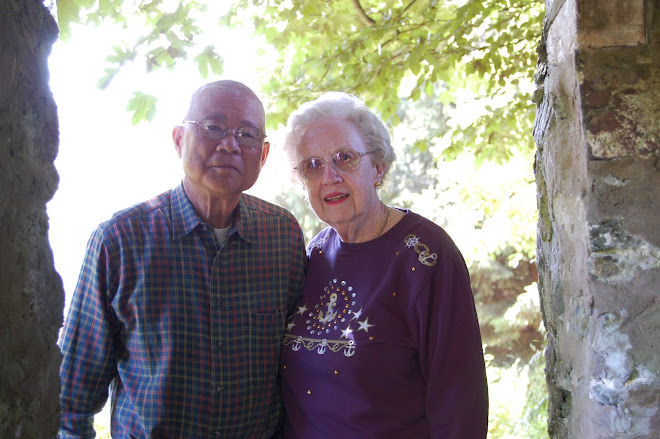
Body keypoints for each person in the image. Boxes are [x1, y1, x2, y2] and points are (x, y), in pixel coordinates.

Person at [59, 80, 306, 438]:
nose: (229, 144)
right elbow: (70, 404)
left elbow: (298, 371)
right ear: (178, 140)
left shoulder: (282, 236)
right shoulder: (120, 241)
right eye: (213, 128)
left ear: (263, 155)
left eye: (247, 134)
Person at [278, 92, 488, 438]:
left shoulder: (427, 257)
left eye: (344, 158)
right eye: (312, 165)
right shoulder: (314, 254)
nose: (328, 176)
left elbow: (460, 404)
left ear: (378, 167)